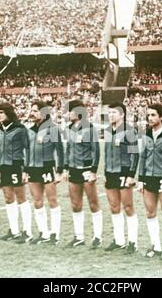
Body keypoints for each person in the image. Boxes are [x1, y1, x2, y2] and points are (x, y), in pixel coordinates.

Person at [138, 104, 162, 259]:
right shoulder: (146, 134)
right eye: (149, 115)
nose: (150, 118)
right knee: (150, 212)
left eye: (153, 115)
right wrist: (140, 179)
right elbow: (143, 157)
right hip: (148, 178)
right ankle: (156, 245)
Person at [64, 100, 102, 249]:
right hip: (73, 170)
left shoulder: (89, 129)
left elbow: (95, 150)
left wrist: (93, 171)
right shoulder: (69, 129)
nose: (68, 114)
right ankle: (79, 236)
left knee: (93, 204)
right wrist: (66, 168)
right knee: (75, 204)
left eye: (70, 111)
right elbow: (68, 149)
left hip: (86, 169)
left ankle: (97, 236)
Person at [25, 101, 64, 245]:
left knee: (52, 200)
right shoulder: (29, 130)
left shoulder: (52, 129)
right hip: (33, 169)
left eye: (35, 110)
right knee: (37, 201)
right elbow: (27, 152)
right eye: (32, 110)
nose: (32, 113)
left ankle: (55, 234)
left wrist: (59, 171)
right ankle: (44, 233)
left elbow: (60, 151)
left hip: (47, 167)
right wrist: (26, 170)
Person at [103, 102, 139, 254]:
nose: (111, 115)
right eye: (109, 112)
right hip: (110, 173)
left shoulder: (129, 131)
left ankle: (133, 242)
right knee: (114, 207)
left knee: (128, 207)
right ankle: (119, 240)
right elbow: (106, 154)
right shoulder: (107, 131)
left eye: (114, 113)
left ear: (122, 115)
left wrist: (131, 175)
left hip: (124, 172)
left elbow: (135, 154)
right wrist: (105, 172)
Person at [0, 102, 33, 243]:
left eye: (1, 112)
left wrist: (26, 170)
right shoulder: (0, 129)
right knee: (8, 199)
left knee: (21, 198)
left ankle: (27, 232)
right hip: (4, 167)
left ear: (8, 113)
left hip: (16, 166)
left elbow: (28, 149)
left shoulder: (20, 129)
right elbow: (0, 151)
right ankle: (14, 230)